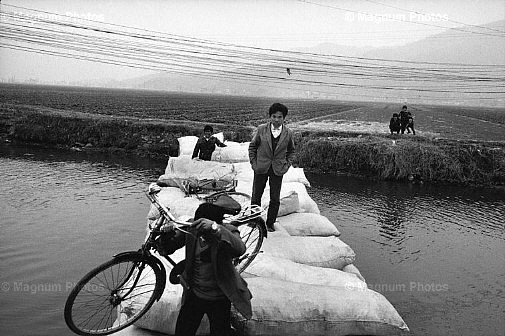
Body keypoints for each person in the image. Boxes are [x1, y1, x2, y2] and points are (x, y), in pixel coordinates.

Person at [158, 202, 252, 336]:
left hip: (219, 297)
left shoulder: (227, 230)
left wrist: (216, 229)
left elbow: (240, 248)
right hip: (194, 293)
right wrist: (166, 235)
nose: (200, 233)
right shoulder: (192, 228)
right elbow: (168, 248)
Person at [248, 103, 295, 232]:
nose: (276, 120)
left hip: (277, 169)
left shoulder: (288, 133)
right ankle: (253, 220)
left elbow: (291, 151)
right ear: (270, 117)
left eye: (280, 117)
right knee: (256, 195)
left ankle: (270, 223)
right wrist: (254, 163)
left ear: (284, 118)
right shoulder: (262, 129)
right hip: (261, 167)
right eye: (274, 116)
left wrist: (286, 165)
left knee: (275, 198)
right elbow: (253, 146)